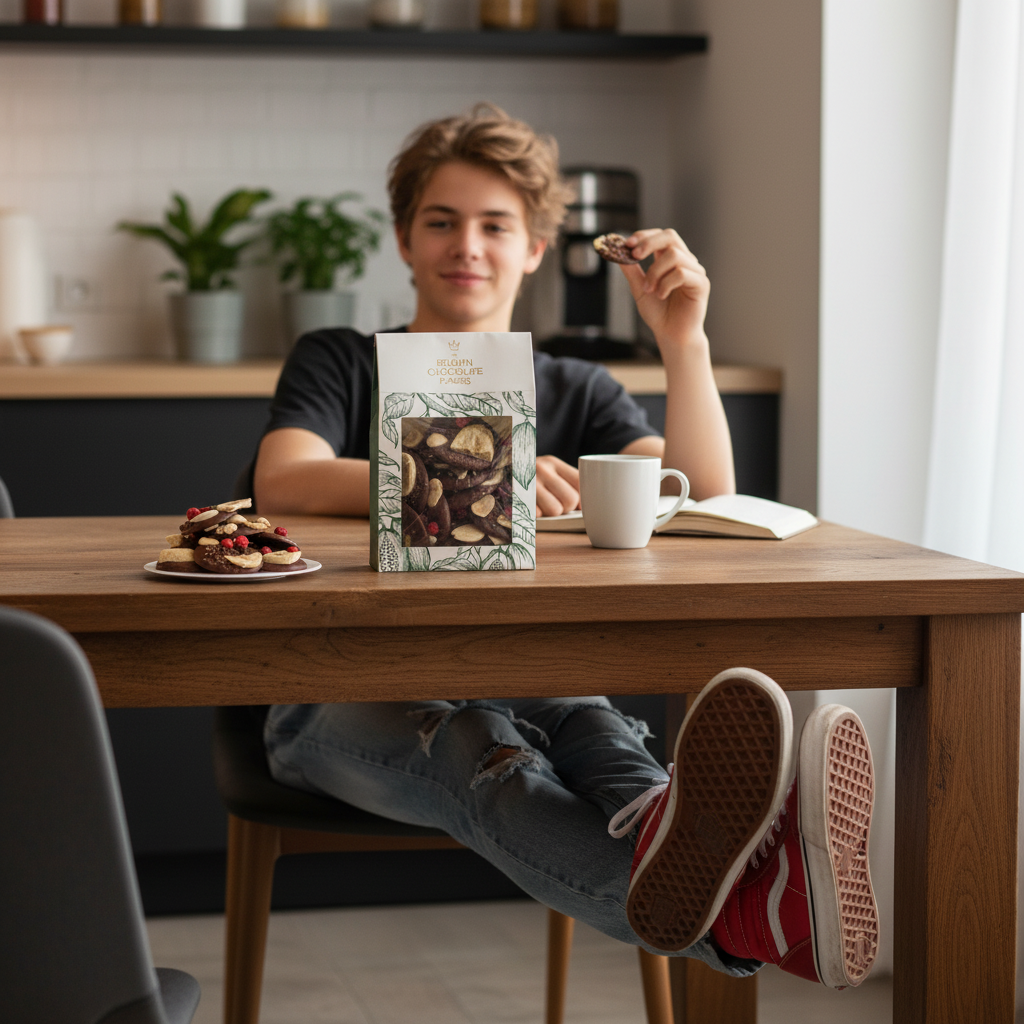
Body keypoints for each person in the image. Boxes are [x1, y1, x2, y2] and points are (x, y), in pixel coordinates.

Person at [253, 105, 879, 987]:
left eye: (495, 225)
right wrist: (484, 474)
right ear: (402, 239)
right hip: (329, 692)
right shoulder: (343, 360)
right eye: (441, 221)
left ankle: (753, 901)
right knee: (479, 741)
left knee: (594, 727)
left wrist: (683, 342)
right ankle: (752, 918)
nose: (466, 244)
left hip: (519, 667)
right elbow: (284, 476)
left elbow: (695, 494)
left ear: (538, 246)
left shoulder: (575, 386)